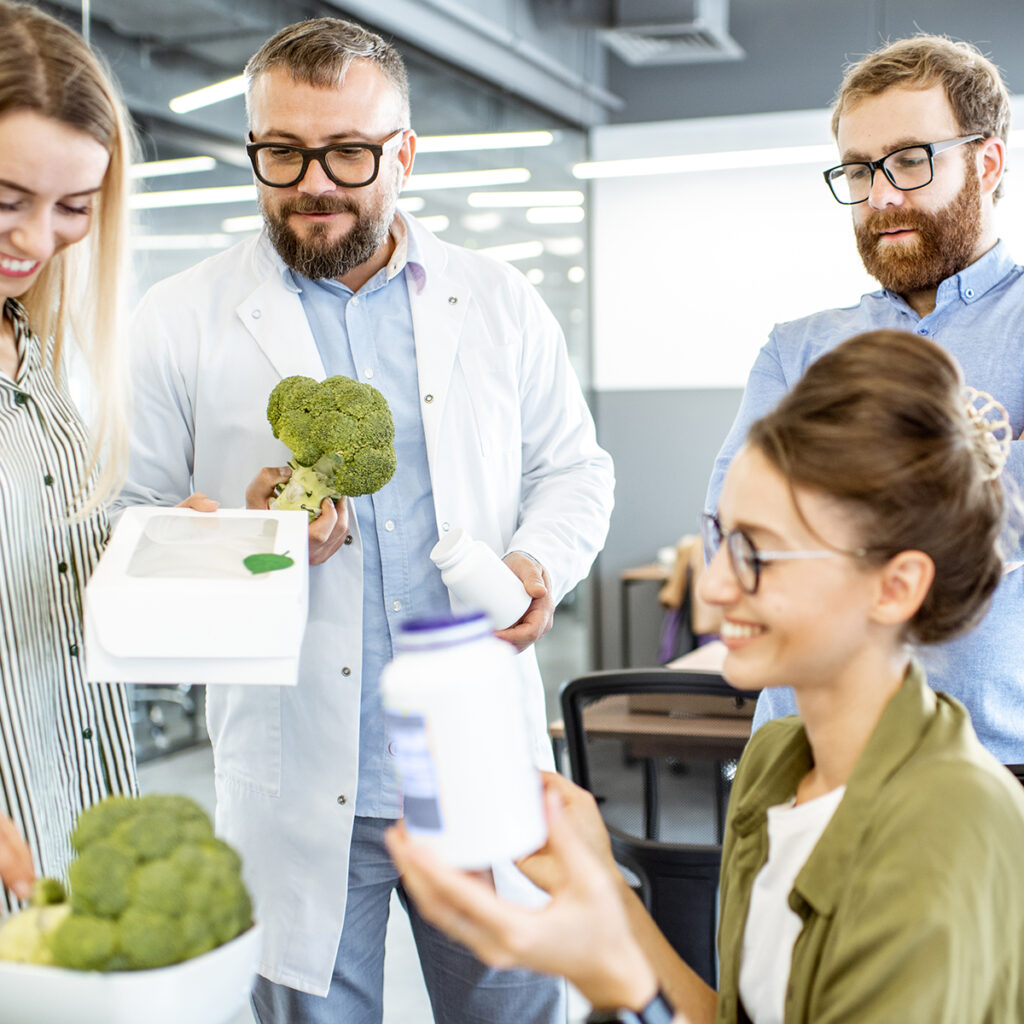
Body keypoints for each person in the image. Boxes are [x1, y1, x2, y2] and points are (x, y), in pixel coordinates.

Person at [115, 15, 614, 1023]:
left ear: (405, 152)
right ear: (253, 147)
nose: (315, 181)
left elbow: (576, 468)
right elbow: (130, 532)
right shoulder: (177, 318)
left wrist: (535, 564)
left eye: (348, 151)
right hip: (298, 766)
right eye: (283, 151)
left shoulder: (499, 300)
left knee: (515, 1006)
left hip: (473, 750)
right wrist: (247, 544)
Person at [388, 329, 1024, 1024]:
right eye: (720, 539)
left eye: (757, 553)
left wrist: (616, 985)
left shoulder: (949, 826)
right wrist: (602, 885)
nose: (716, 586)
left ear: (895, 586)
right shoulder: (778, 761)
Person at [705, 34, 1024, 762]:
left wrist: (824, 509)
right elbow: (739, 531)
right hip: (805, 755)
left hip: (997, 758)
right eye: (858, 169)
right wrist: (979, 476)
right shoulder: (798, 348)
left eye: (910, 160)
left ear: (988, 161)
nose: (880, 195)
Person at [0, 3, 137, 912]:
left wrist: (162, 553)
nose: (35, 238)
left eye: (73, 208)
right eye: (6, 199)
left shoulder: (31, 353)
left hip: (68, 818)